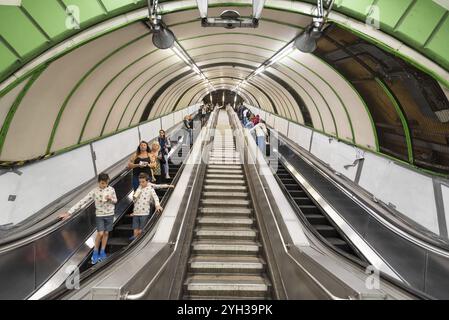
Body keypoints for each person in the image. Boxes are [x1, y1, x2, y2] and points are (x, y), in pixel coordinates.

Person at [59, 173, 117, 264]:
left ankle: (102, 252)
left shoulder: (111, 190)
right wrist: (69, 212)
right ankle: (95, 252)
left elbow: (115, 201)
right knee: (100, 233)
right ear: (98, 182)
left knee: (106, 233)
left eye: (106, 183)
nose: (104, 185)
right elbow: (83, 201)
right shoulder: (94, 191)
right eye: (102, 183)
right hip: (100, 215)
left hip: (110, 214)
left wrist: (111, 199)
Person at [130, 172, 174, 239]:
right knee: (135, 228)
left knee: (141, 230)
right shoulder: (139, 188)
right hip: (136, 212)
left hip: (144, 212)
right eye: (140, 182)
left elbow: (156, 197)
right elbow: (136, 201)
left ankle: (137, 239)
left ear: (147, 181)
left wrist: (157, 205)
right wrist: (134, 197)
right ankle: (134, 243)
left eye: (143, 182)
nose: (141, 183)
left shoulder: (150, 188)